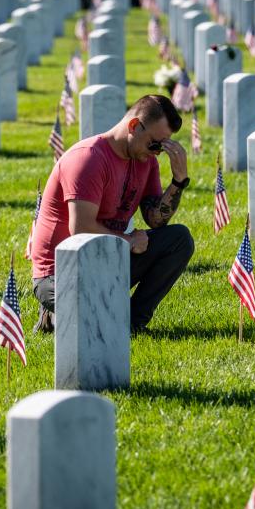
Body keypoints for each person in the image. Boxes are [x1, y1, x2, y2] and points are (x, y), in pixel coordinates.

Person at [30, 94, 195, 333]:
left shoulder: (145, 162)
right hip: (60, 272)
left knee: (179, 239)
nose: (158, 152)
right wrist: (128, 241)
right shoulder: (88, 159)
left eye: (163, 146)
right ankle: (55, 313)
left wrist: (178, 181)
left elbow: (155, 219)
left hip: (107, 260)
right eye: (155, 144)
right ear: (134, 126)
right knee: (94, 313)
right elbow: (82, 229)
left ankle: (132, 321)